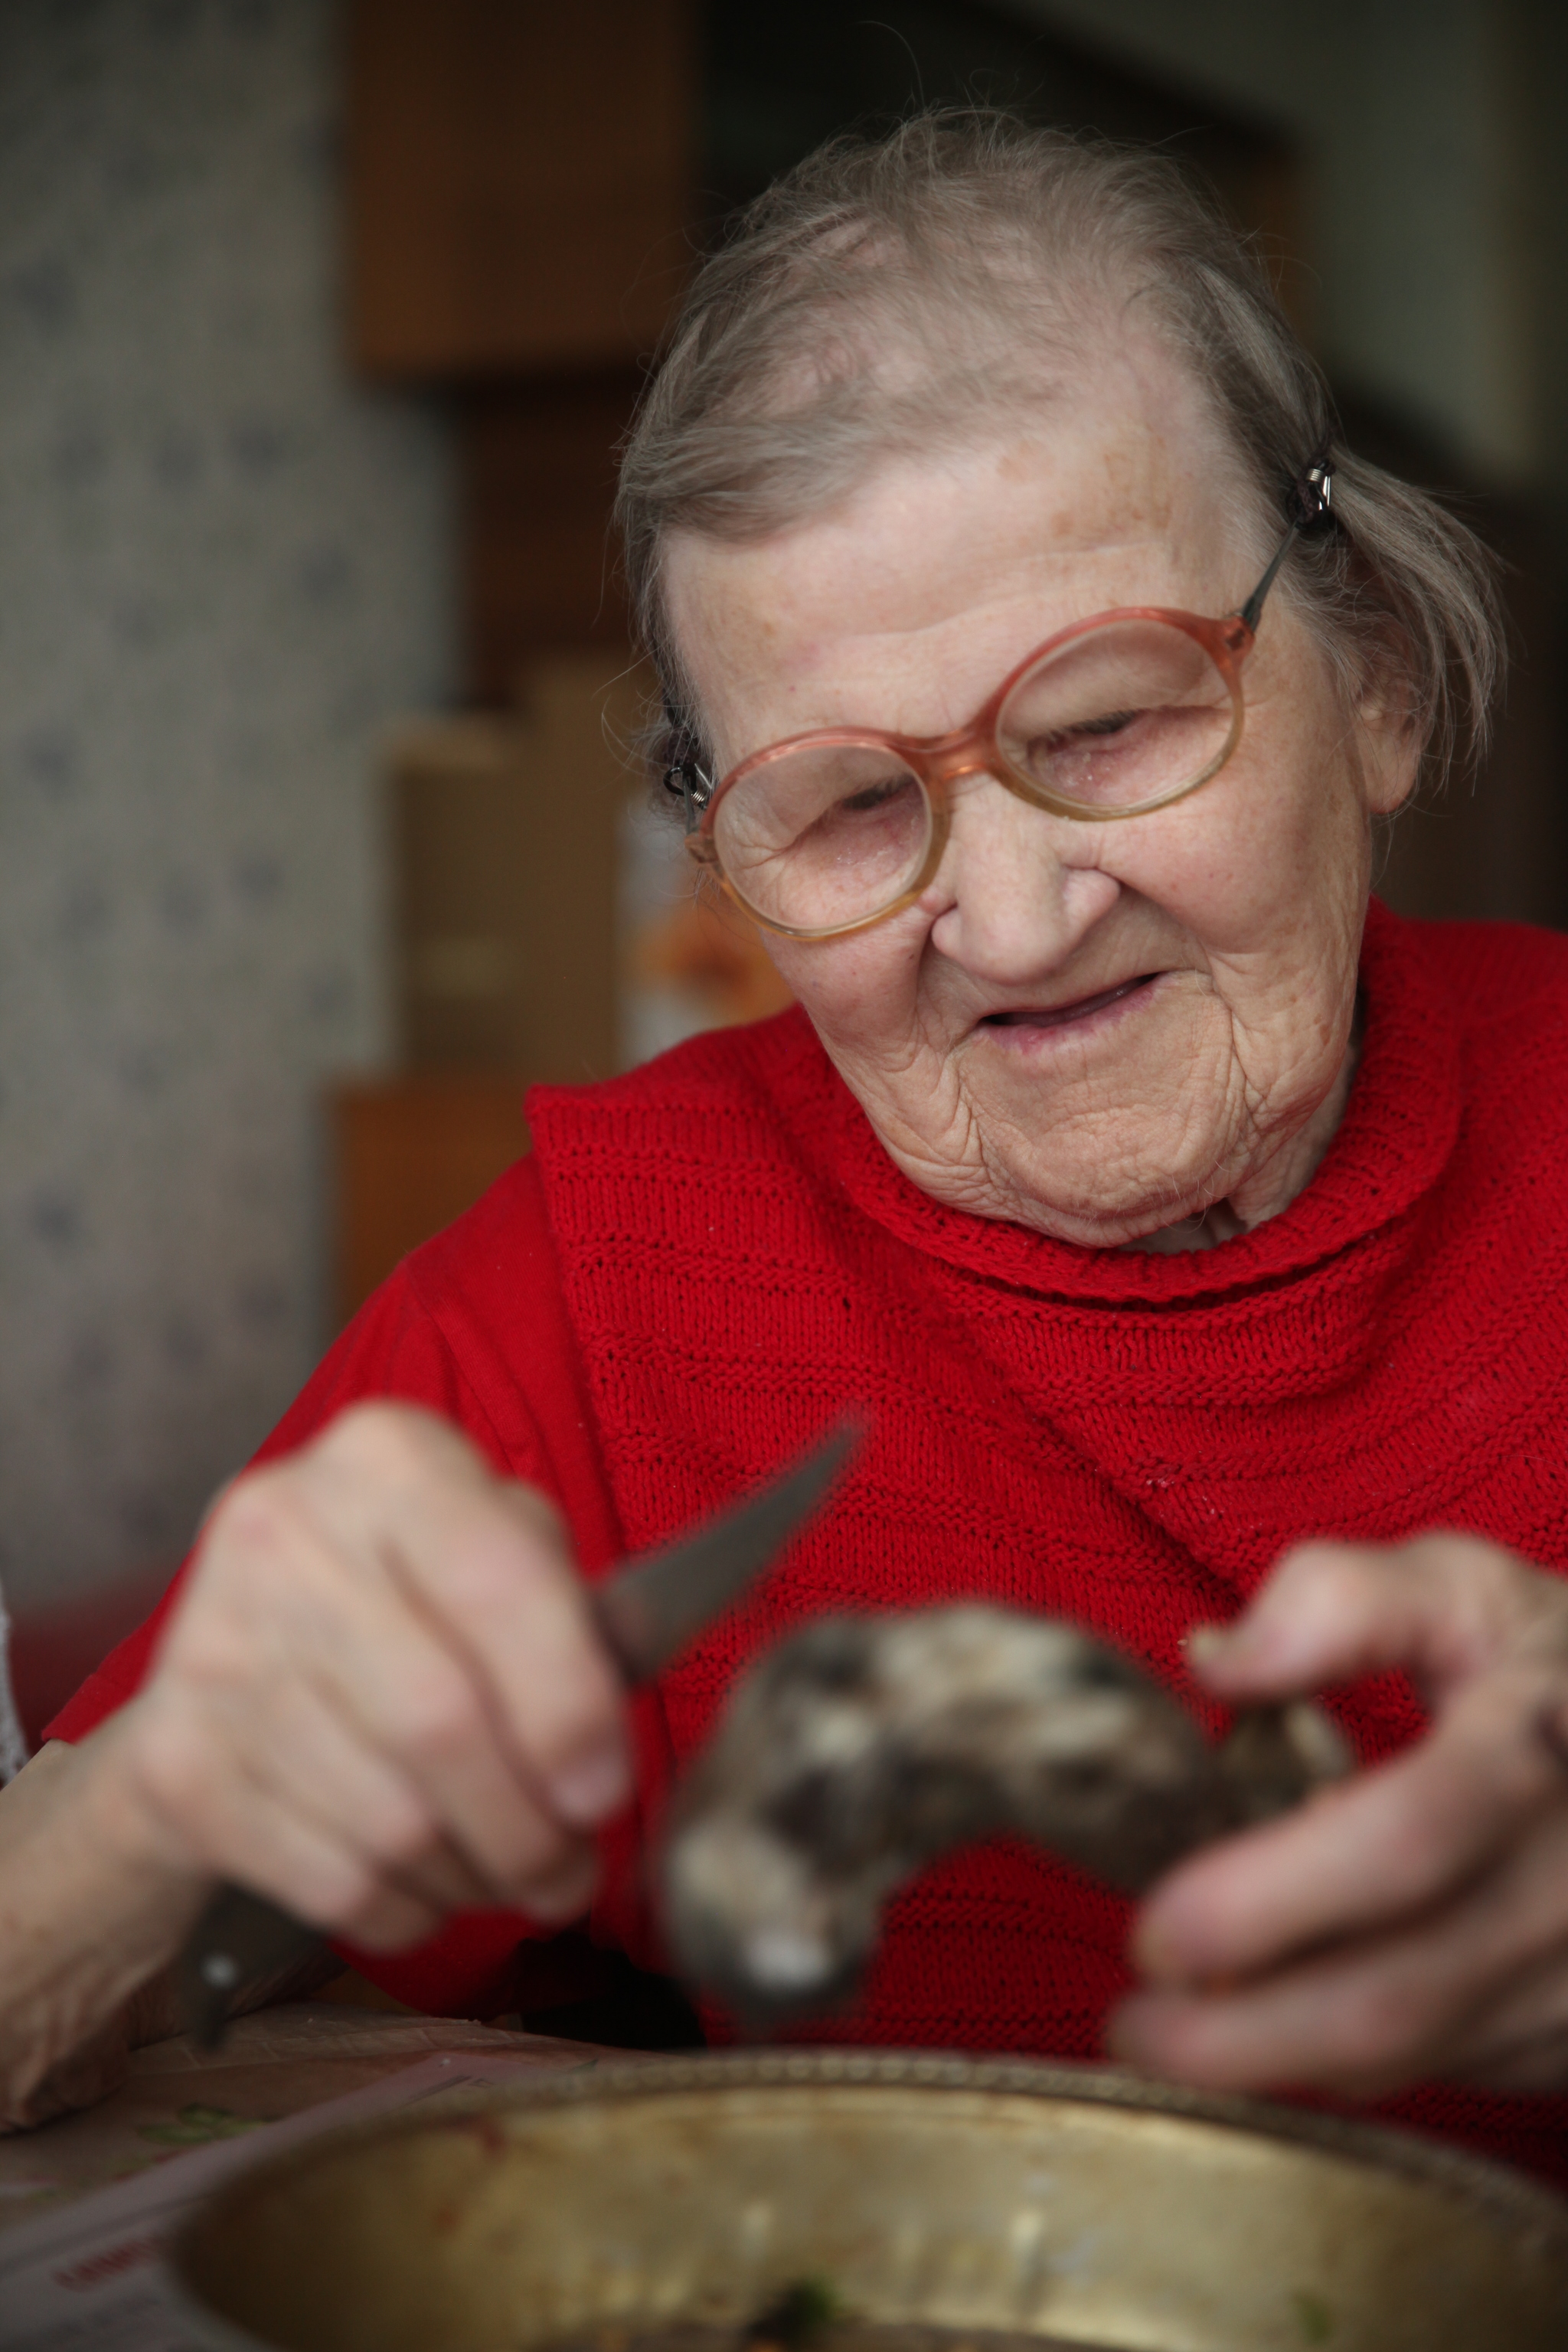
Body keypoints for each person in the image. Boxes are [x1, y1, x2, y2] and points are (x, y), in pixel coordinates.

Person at [6, 113, 1568, 2185]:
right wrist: (144, 1818)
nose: (1009, 924)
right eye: (844, 811)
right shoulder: (603, 1274)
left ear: (1369, 677)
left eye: (1106, 722)